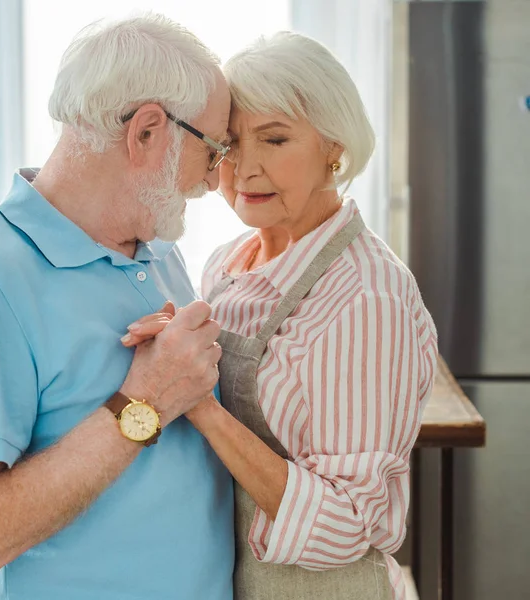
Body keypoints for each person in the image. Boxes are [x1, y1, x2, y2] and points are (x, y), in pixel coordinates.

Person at [0, 14, 236, 600]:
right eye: (214, 149)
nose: (213, 179)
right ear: (148, 131)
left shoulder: (160, 250)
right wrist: (141, 404)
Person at [126, 32, 438, 600]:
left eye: (274, 139)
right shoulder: (226, 264)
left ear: (333, 149)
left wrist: (197, 402)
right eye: (229, 145)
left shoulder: (367, 297)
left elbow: (347, 522)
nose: (244, 169)